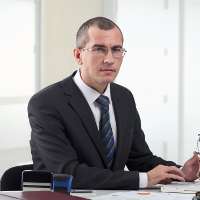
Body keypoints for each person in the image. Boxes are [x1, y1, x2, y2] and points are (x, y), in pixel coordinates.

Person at [28, 17, 200, 190]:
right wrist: (144, 180)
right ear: (78, 55)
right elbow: (69, 173)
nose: (109, 59)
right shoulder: (46, 103)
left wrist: (180, 173)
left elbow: (140, 160)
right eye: (99, 50)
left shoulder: (124, 97)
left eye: (116, 50)